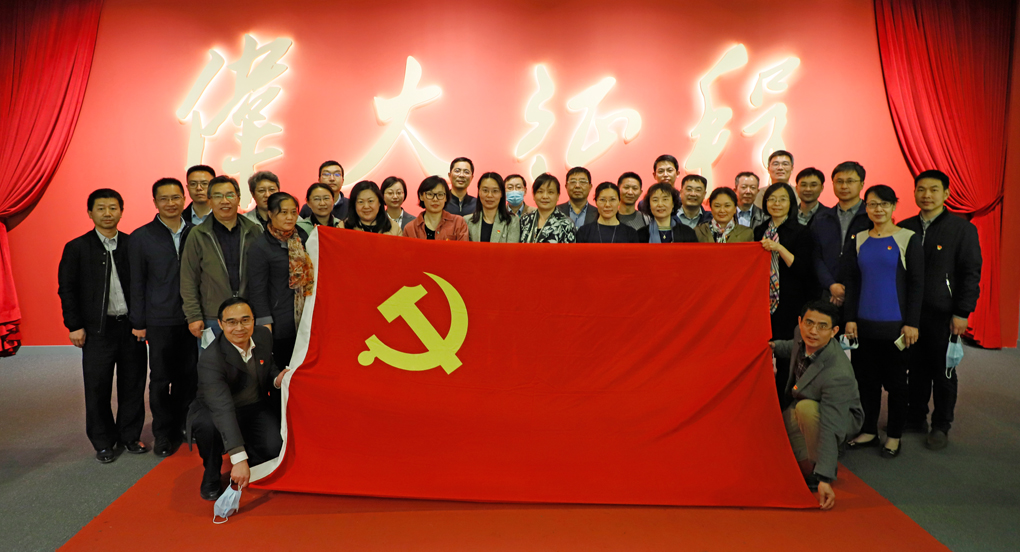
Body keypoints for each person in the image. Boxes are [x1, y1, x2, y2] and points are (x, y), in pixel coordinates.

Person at [58, 189, 148, 463]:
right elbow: (67, 290)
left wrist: (142, 320)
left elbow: (144, 286)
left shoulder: (133, 244)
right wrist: (74, 325)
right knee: (97, 387)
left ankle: (129, 436)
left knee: (133, 384)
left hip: (131, 327)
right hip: (97, 330)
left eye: (113, 208)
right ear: (90, 213)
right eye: (101, 208)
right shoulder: (77, 247)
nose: (107, 213)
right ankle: (103, 442)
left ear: (121, 211)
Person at [900, 170, 982, 450]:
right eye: (921, 189)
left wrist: (962, 312)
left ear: (946, 194)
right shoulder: (905, 227)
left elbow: (970, 273)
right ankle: (915, 417)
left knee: (943, 371)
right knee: (915, 368)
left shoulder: (962, 229)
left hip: (944, 314)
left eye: (934, 189)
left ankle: (941, 425)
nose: (927, 195)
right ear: (914, 192)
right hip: (911, 313)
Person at [843, 185, 924, 458]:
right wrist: (849, 319)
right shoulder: (858, 239)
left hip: (897, 327)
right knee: (866, 382)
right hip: (864, 325)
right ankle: (868, 430)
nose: (878, 209)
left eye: (884, 204)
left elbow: (917, 284)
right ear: (866, 207)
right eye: (872, 204)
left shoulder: (907, 238)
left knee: (897, 384)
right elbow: (852, 282)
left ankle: (894, 435)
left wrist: (912, 323)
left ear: (894, 206)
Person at [187, 297, 290, 500]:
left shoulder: (263, 335)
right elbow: (222, 408)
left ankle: (253, 455)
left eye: (245, 320)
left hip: (254, 406)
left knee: (275, 448)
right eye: (231, 322)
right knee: (207, 426)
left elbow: (269, 366)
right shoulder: (211, 359)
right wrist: (238, 457)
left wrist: (278, 379)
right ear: (220, 324)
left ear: (253, 320)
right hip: (216, 410)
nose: (239, 328)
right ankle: (211, 473)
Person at [770, 300, 864, 510]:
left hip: (839, 417)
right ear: (800, 322)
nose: (813, 331)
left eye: (822, 326)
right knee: (774, 437)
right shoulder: (800, 334)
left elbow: (831, 425)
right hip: (804, 402)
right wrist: (773, 347)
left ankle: (819, 467)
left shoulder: (837, 373)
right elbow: (793, 346)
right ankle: (810, 455)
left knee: (806, 410)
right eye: (809, 323)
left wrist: (825, 478)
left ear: (834, 332)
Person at [128, 178, 197, 457]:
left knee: (188, 377)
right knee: (160, 379)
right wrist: (138, 322)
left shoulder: (195, 233)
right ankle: (163, 433)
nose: (171, 203)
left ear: (184, 199)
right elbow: (136, 283)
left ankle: (183, 425)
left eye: (176, 197)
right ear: (155, 202)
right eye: (164, 198)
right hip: (159, 320)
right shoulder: (141, 237)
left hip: (191, 318)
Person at [180, 176, 264, 349]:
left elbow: (262, 276)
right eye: (218, 196)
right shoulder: (197, 235)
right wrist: (194, 316)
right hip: (212, 318)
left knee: (248, 363)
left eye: (230, 195)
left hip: (247, 315)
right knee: (213, 364)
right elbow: (188, 279)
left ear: (238, 198)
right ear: (209, 201)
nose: (225, 201)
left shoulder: (254, 231)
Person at [754, 183, 815, 398]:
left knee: (787, 358)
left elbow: (803, 269)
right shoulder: (760, 230)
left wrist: (779, 248)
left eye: (782, 199)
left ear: (791, 203)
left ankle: (784, 404)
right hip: (763, 303)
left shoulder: (802, 232)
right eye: (772, 199)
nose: (776, 204)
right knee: (761, 354)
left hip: (790, 303)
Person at [247, 191, 314, 372]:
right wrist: (265, 325)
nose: (290, 217)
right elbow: (257, 290)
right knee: (282, 370)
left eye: (293, 212)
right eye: (283, 212)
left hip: (304, 319)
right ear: (270, 214)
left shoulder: (302, 237)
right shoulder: (260, 246)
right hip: (279, 322)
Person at [812, 161, 872, 307]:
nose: (844, 186)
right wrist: (831, 285)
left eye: (850, 181)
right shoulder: (821, 218)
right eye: (839, 181)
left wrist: (849, 288)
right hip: (828, 293)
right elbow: (816, 257)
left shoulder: (871, 217)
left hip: (863, 292)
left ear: (862, 184)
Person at [404, 176, 469, 240]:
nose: (435, 199)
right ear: (421, 196)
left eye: (440, 194)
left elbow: (463, 247)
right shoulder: (410, 228)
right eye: (430, 194)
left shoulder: (458, 223)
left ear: (446, 197)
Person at [520, 173, 576, 243]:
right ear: (534, 195)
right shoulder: (525, 220)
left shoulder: (566, 224)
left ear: (558, 196)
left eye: (550, 192)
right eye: (540, 192)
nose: (545, 196)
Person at [464, 172, 520, 243]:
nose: (489, 195)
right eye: (485, 190)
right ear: (479, 192)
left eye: (495, 191)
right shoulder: (467, 221)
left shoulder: (512, 221)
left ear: (501, 194)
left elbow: (512, 249)